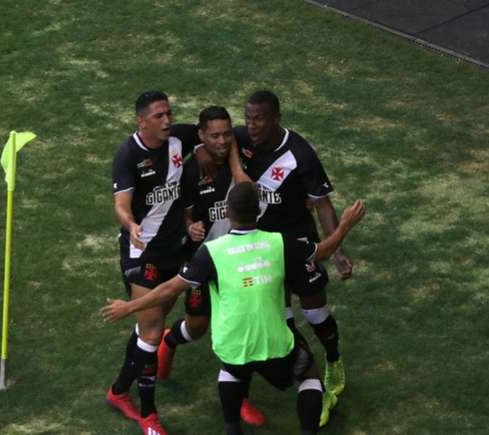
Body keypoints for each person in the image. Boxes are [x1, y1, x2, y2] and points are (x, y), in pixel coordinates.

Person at [101, 182, 366, 435]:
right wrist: (344, 226)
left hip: (233, 345)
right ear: (258, 211)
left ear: (228, 213)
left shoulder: (211, 252)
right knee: (309, 375)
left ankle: (232, 428)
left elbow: (169, 289)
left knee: (231, 370)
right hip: (273, 341)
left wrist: (129, 307)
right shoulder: (279, 242)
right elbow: (322, 252)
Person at [233, 90, 351, 425]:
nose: (251, 125)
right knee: (282, 318)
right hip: (263, 247)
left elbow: (323, 203)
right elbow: (214, 138)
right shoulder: (240, 139)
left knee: (315, 313)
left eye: (259, 119)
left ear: (276, 118)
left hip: (299, 243)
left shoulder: (300, 154)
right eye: (248, 118)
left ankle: (334, 360)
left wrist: (337, 250)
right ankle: (311, 380)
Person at [107, 90, 215, 435]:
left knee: (151, 324)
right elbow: (122, 203)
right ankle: (149, 415)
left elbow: (214, 135)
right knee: (152, 330)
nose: (167, 120)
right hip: (143, 252)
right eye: (159, 116)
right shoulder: (128, 156)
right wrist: (131, 224)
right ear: (142, 122)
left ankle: (119, 391)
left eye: (169, 113)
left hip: (176, 248)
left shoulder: (178, 138)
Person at [156, 106, 265, 426]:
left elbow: (248, 185)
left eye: (226, 134)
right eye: (213, 136)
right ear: (200, 136)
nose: (221, 140)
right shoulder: (191, 172)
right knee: (198, 326)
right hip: (203, 260)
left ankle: (240, 397)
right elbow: (183, 213)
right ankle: (170, 340)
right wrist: (190, 227)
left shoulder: (242, 151)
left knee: (238, 330)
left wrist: (231, 157)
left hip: (238, 259)